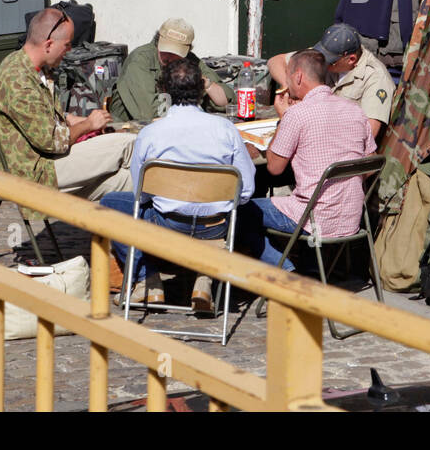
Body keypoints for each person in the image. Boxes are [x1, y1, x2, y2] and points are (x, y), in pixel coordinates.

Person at [101, 57, 256, 309]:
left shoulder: (150, 133)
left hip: (168, 224)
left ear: (165, 91)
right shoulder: (226, 129)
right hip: (215, 227)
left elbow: (142, 194)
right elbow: (246, 190)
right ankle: (205, 276)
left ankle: (148, 279)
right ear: (202, 87)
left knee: (109, 204)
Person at [239, 50, 377, 271]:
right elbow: (370, 162)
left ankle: (286, 271)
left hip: (313, 219)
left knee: (237, 210)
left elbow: (274, 167)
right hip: (352, 218)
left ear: (299, 77)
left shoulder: (297, 115)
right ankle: (309, 268)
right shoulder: (355, 111)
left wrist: (284, 118)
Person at [0, 7, 136, 208]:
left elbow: (35, 113)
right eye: (66, 45)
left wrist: (69, 118)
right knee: (129, 144)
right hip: (33, 172)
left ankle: (149, 234)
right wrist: (89, 124)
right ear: (49, 44)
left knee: (127, 180)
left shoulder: (27, 65)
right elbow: (53, 142)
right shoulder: (18, 80)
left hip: (42, 163)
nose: (69, 51)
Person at [266, 22, 395, 138]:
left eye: (329, 61)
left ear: (351, 59)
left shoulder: (376, 78)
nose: (322, 62)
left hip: (343, 151)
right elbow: (276, 61)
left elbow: (369, 133)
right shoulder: (326, 55)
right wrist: (288, 87)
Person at [109, 17, 231, 122]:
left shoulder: (189, 61)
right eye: (166, 50)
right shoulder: (140, 61)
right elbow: (150, 114)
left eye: (176, 52)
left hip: (175, 127)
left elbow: (230, 101)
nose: (170, 57)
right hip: (129, 131)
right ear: (158, 41)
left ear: (188, 50)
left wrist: (207, 85)